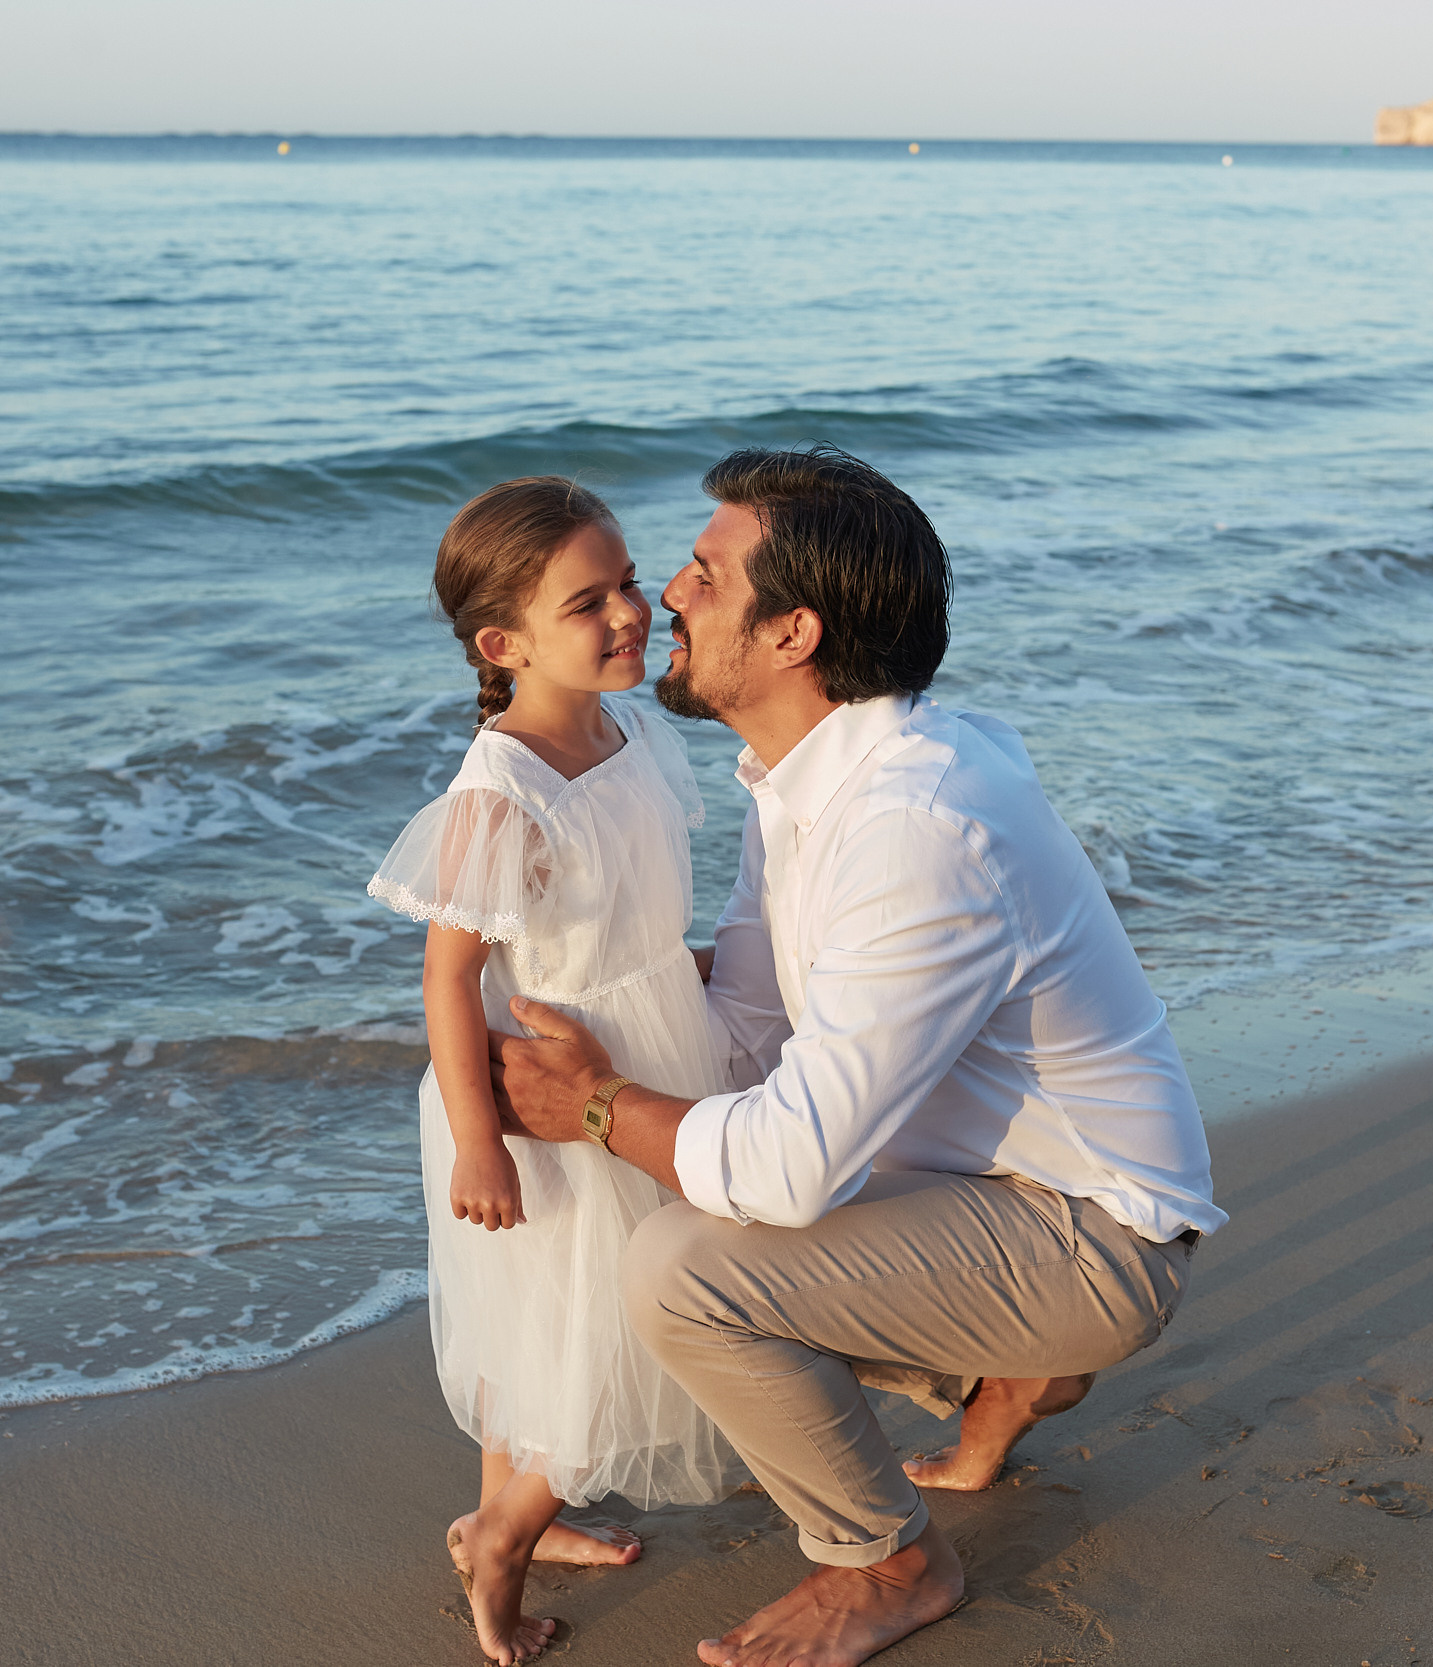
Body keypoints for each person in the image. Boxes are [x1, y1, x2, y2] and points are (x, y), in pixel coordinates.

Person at [487, 446, 1225, 1667]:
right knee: (692, 1164)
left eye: (707, 574)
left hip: (1093, 1236)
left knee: (682, 1268)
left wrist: (599, 1106)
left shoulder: (910, 825)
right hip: (999, 1192)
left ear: (793, 634)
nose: (666, 591)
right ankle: (1011, 1384)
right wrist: (593, 989)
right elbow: (757, 1033)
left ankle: (889, 1559)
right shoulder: (814, 775)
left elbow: (782, 1169)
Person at [366, 477, 741, 1665]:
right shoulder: (500, 788)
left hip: (646, 1045)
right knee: (595, 1351)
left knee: (544, 1331)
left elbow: (633, 901)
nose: (631, 611)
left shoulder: (631, 726)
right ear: (504, 642)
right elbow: (445, 977)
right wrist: (479, 1134)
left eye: (628, 581)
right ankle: (501, 1552)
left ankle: (505, 1507)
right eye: (592, 600)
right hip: (540, 1096)